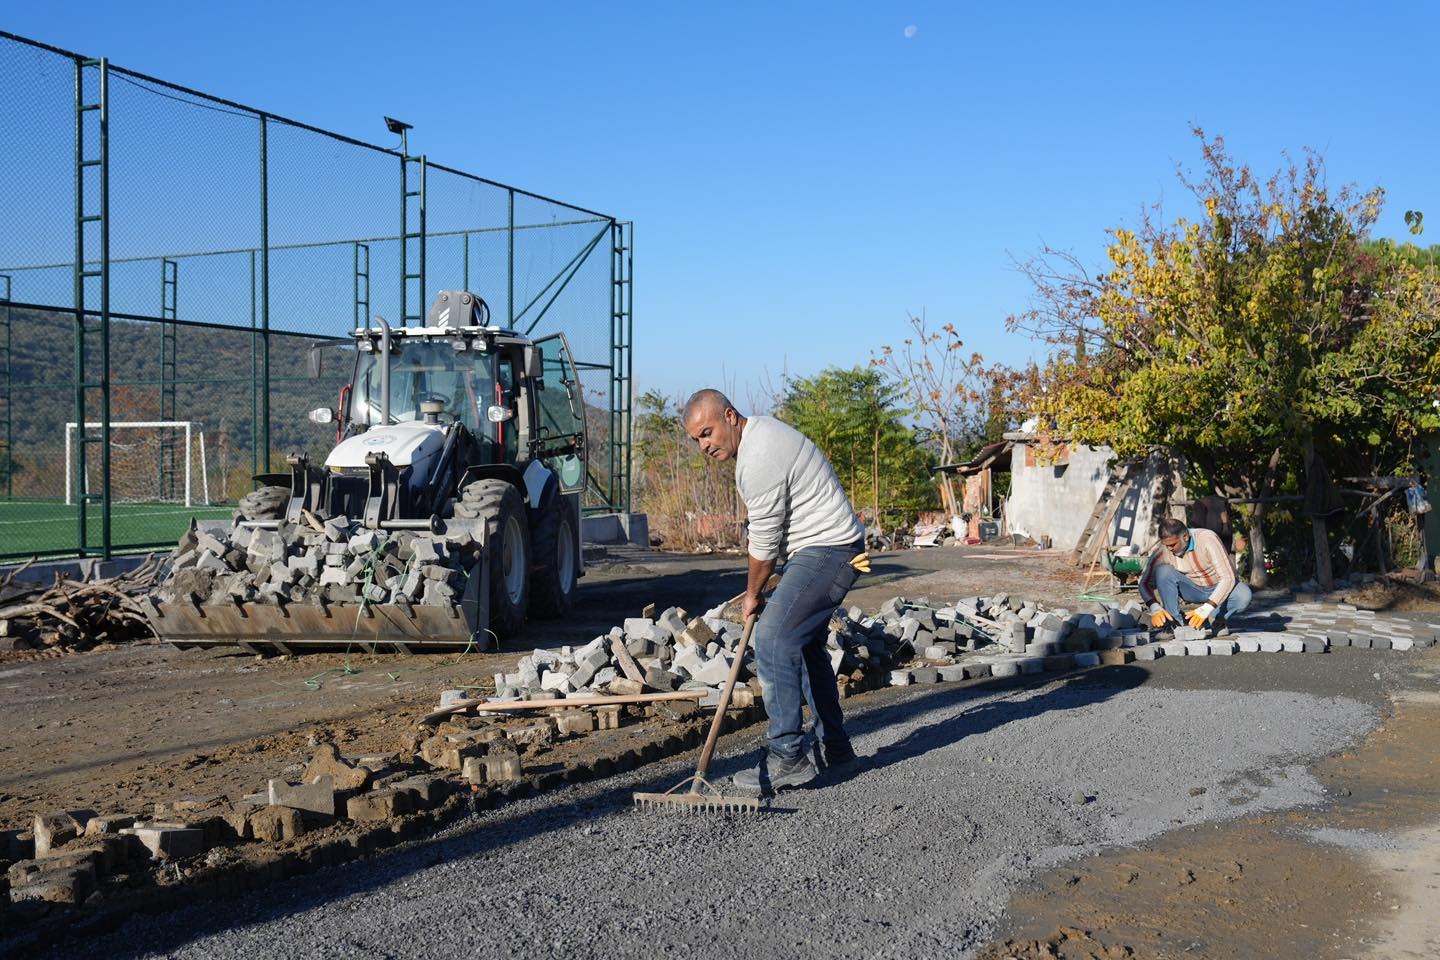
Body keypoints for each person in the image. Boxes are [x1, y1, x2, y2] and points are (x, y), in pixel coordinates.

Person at [682, 389, 867, 795]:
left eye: (708, 432)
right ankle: (835, 749)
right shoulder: (759, 440)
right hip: (829, 551)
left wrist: (753, 593)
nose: (704, 446)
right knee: (803, 645)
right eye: (697, 439)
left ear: (730, 416)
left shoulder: (759, 455)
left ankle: (787, 756)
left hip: (829, 552)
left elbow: (763, 545)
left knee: (771, 638)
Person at [1139, 517, 1252, 632]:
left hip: (1218, 588)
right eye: (1166, 545)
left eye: (1173, 545)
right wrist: (1154, 607)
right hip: (1192, 589)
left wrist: (1207, 608)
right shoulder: (1163, 551)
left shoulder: (1207, 539)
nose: (1169, 549)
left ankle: (1216, 619)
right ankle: (1175, 624)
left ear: (1185, 537)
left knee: (1243, 595)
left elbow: (1228, 578)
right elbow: (1144, 583)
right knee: (1163, 571)